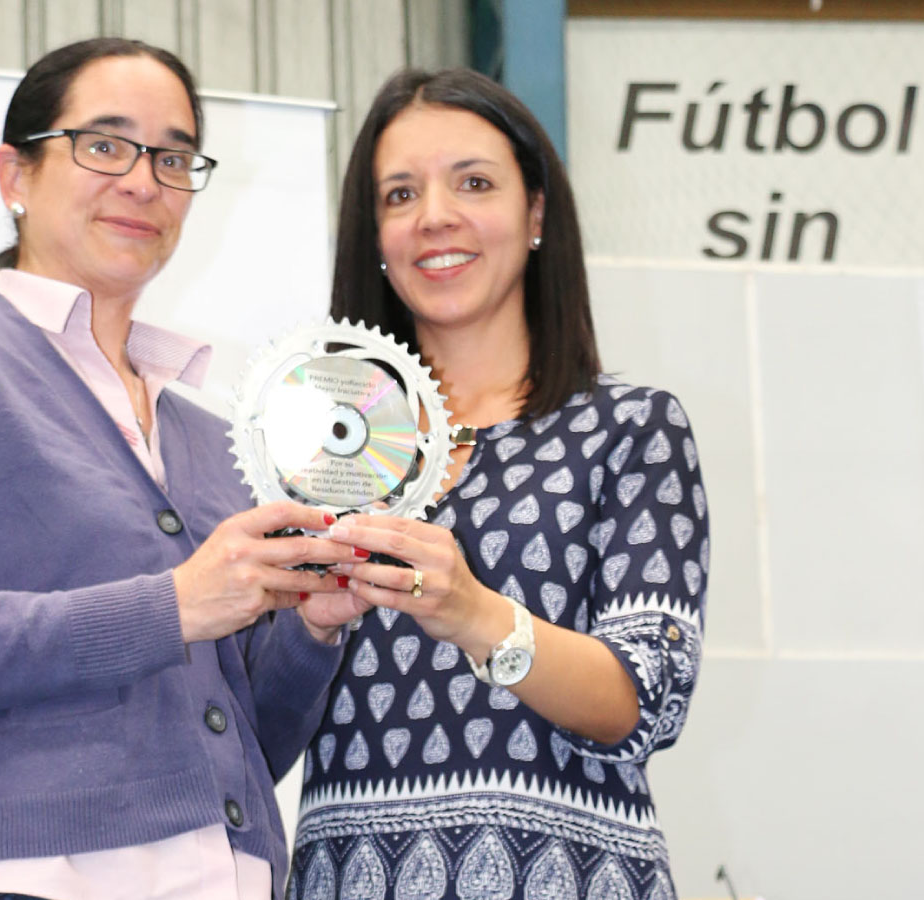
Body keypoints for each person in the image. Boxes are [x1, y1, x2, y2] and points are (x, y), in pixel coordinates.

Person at [0, 38, 364, 900]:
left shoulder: (208, 435)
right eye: (104, 145)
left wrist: (313, 631)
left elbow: (248, 742)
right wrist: (171, 605)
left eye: (173, 158)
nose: (144, 182)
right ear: (16, 174)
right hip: (13, 876)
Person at [289, 68, 709, 899]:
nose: (434, 215)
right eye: (400, 194)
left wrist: (475, 614)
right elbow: (250, 718)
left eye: (474, 183)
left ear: (537, 212)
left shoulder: (631, 429)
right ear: (374, 234)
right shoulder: (319, 452)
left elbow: (645, 701)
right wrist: (302, 630)